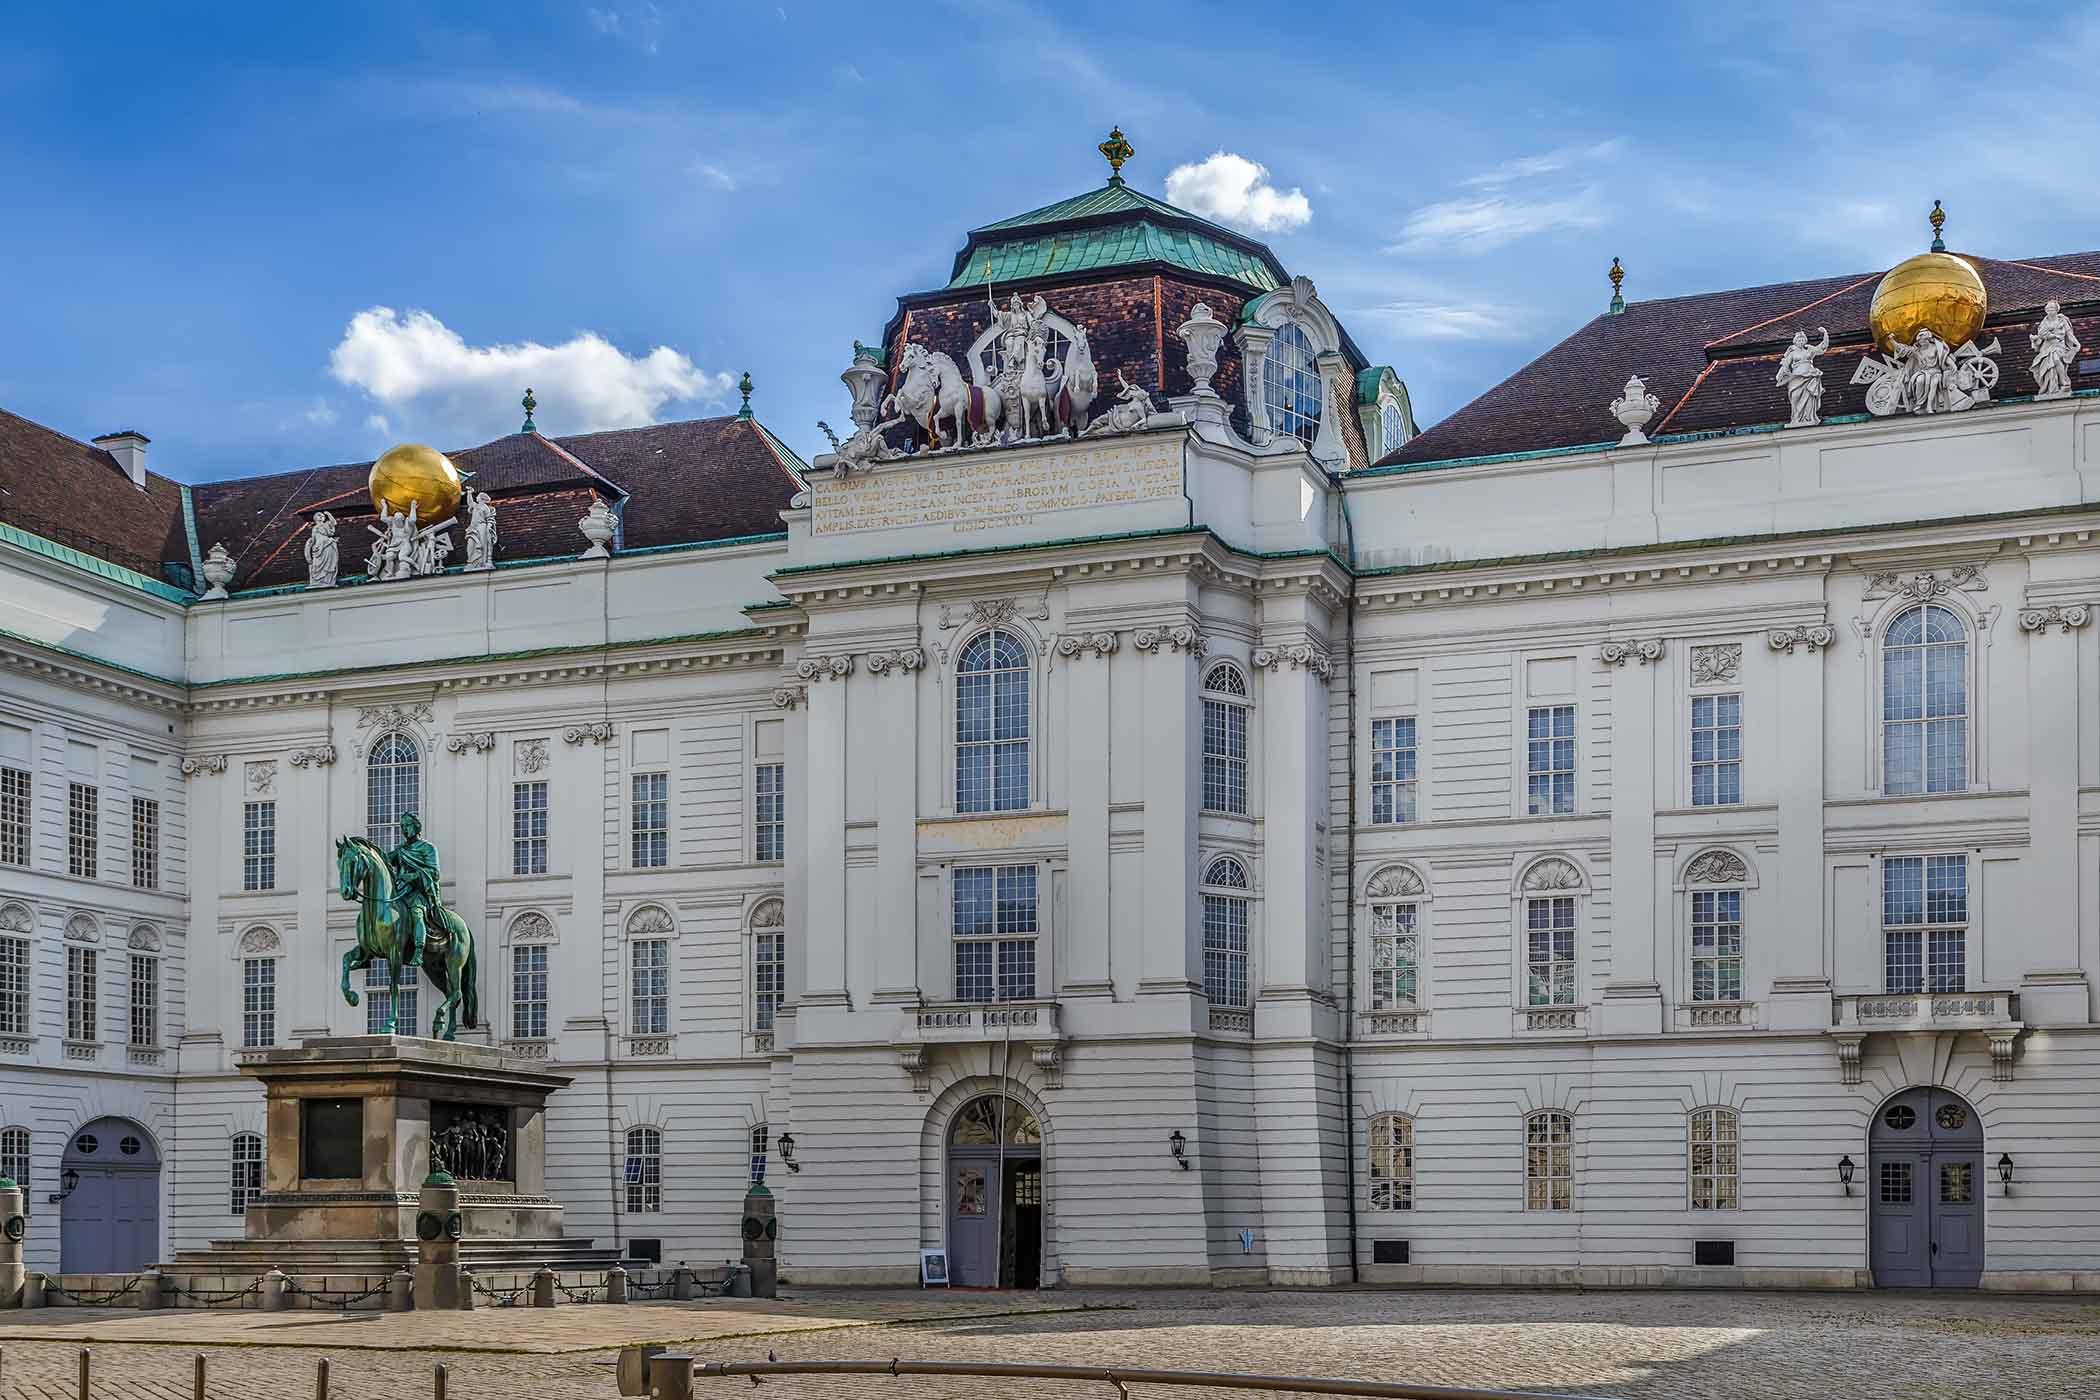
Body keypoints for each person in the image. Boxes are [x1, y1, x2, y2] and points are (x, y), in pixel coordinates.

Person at [385, 811, 448, 972]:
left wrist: (412, 876)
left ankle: (419, 951)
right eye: (402, 827)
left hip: (419, 892)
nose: (404, 829)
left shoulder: (428, 848)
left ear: (416, 827)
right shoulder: (400, 850)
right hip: (400, 893)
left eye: (407, 825)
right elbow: (385, 860)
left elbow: (434, 873)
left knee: (416, 913)